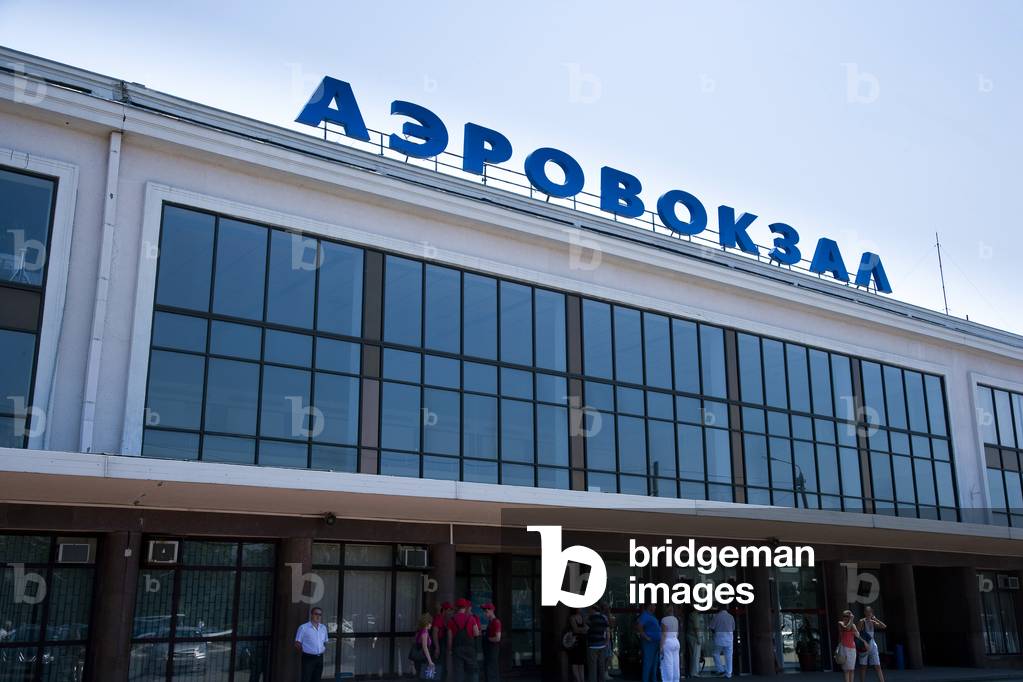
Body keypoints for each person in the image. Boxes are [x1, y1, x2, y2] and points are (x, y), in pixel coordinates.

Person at [448, 598, 481, 682]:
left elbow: (450, 638)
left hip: (457, 648)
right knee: (472, 671)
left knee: (458, 673)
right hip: (470, 648)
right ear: (465, 607)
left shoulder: (451, 620)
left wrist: (450, 650)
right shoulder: (471, 618)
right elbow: (477, 633)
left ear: (456, 607)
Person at [294, 606, 328, 682]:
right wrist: (307, 650)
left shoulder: (323, 628)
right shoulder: (303, 627)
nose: (318, 616)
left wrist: (322, 649)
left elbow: (325, 641)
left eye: (320, 614)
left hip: (319, 658)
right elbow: (297, 643)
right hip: (308, 658)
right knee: (306, 679)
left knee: (317, 679)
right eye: (316, 614)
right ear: (311, 615)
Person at [858, 607, 887, 682]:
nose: (868, 613)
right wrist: (863, 641)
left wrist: (875, 619)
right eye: (867, 612)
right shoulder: (862, 621)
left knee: (877, 665)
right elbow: (857, 633)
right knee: (863, 666)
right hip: (864, 644)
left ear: (872, 613)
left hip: (872, 643)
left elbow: (884, 626)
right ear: (864, 612)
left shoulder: (873, 622)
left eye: (870, 612)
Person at [837, 610, 866, 682]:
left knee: (852, 669)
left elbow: (857, 635)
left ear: (849, 617)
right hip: (844, 648)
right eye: (844, 616)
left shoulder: (853, 625)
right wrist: (852, 620)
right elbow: (846, 628)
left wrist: (864, 642)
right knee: (846, 670)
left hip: (852, 649)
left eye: (847, 616)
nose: (845, 618)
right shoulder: (840, 623)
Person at [635, 604, 661, 682]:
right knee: (647, 664)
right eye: (654, 605)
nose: (655, 607)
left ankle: (654, 680)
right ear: (649, 606)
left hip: (656, 643)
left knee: (654, 664)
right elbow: (639, 627)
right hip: (649, 644)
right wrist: (646, 637)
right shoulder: (645, 615)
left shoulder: (651, 615)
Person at [708, 604, 735, 679]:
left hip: (719, 638)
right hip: (729, 638)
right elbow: (733, 628)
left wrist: (714, 632)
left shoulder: (717, 616)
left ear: (719, 609)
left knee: (715, 654)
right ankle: (729, 673)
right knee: (729, 656)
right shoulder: (731, 616)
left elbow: (711, 627)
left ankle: (721, 669)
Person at [586, 602, 610, 682]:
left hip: (592, 645)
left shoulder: (590, 619)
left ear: (593, 609)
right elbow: (607, 631)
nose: (589, 611)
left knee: (593, 668)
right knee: (601, 666)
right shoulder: (603, 618)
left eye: (590, 609)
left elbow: (585, 630)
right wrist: (606, 642)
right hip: (602, 645)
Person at [660, 605, 682, 682]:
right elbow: (677, 633)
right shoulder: (676, 619)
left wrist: (661, 646)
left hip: (667, 642)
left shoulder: (664, 620)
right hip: (676, 641)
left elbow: (664, 634)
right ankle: (676, 680)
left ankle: (668, 680)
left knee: (668, 664)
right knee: (676, 663)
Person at [481, 603, 502, 682]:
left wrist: (488, 639)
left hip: (492, 651)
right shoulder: (490, 623)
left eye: (486, 611)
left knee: (492, 672)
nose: (485, 613)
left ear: (492, 611)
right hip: (488, 651)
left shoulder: (496, 622)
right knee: (488, 671)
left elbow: (498, 638)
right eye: (484, 611)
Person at [433, 602, 454, 681]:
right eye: (449, 610)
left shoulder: (443, 619)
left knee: (441, 667)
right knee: (435, 666)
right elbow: (435, 632)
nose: (450, 612)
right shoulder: (439, 618)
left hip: (442, 645)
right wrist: (437, 647)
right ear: (444, 610)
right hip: (438, 645)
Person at [567, 607, 588, 682]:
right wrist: (582, 630)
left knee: (581, 663)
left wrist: (580, 630)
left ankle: (582, 680)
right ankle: (578, 680)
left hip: (581, 642)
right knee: (575, 662)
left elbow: (585, 629)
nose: (581, 609)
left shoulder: (582, 617)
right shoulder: (572, 618)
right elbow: (575, 629)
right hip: (575, 643)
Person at [413, 613, 437, 678]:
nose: (431, 625)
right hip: (423, 658)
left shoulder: (419, 631)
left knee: (421, 676)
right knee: (427, 677)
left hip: (417, 658)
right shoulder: (424, 632)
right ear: (427, 623)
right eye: (430, 623)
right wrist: (430, 661)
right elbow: (425, 647)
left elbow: (415, 644)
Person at [685, 605, 707, 678]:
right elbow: (696, 627)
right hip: (694, 637)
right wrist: (698, 638)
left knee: (693, 655)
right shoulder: (695, 615)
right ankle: (694, 672)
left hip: (691, 636)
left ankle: (693, 671)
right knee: (696, 655)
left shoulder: (692, 615)